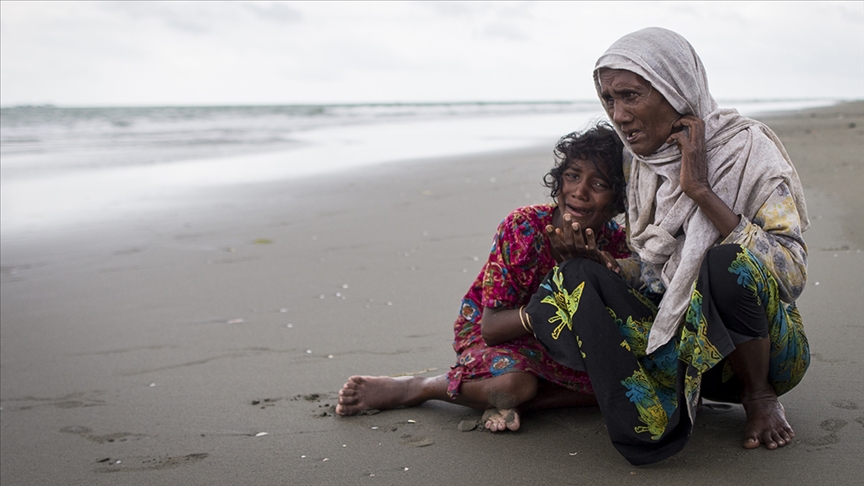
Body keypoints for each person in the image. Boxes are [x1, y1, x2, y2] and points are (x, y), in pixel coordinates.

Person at [526, 27, 810, 465]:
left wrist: (699, 189)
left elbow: (790, 272)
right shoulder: (635, 162)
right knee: (575, 279)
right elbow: (656, 272)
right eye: (608, 99)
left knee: (724, 261)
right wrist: (608, 266)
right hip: (679, 352)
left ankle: (760, 398)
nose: (618, 115)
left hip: (764, 353)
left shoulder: (747, 148)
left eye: (631, 95)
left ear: (675, 89)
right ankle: (650, 418)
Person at [335, 123, 631, 431]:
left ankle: (524, 405)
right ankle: (420, 387)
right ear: (558, 182)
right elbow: (491, 329)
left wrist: (592, 268)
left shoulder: (617, 247)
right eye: (572, 176)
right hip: (501, 336)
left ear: (618, 200)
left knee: (627, 385)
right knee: (513, 386)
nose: (579, 191)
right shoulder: (524, 229)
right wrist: (562, 287)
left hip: (567, 347)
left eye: (598, 185)